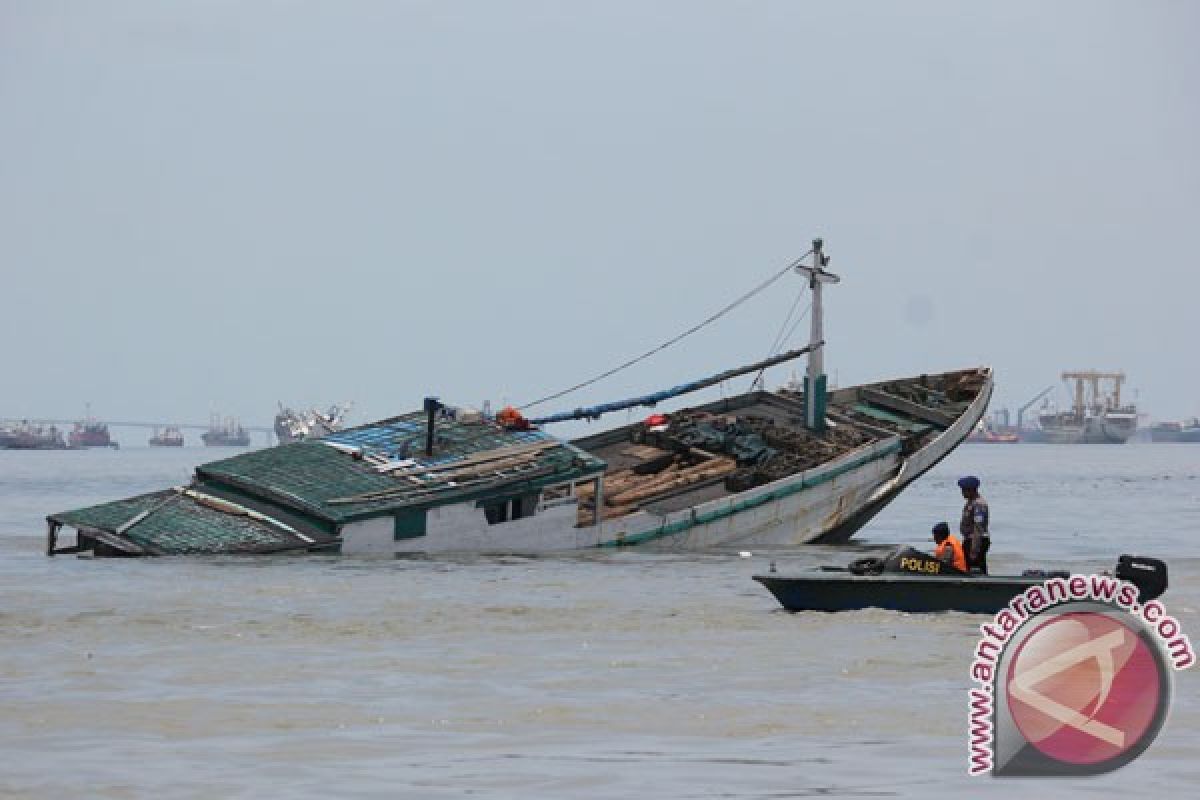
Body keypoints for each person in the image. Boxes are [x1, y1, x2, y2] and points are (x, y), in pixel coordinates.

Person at [958, 475, 990, 574]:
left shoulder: (979, 504)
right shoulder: (970, 502)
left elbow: (978, 528)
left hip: (976, 541)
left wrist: (974, 550)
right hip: (970, 540)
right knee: (968, 568)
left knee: (976, 569)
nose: (962, 493)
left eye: (964, 490)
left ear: (971, 490)